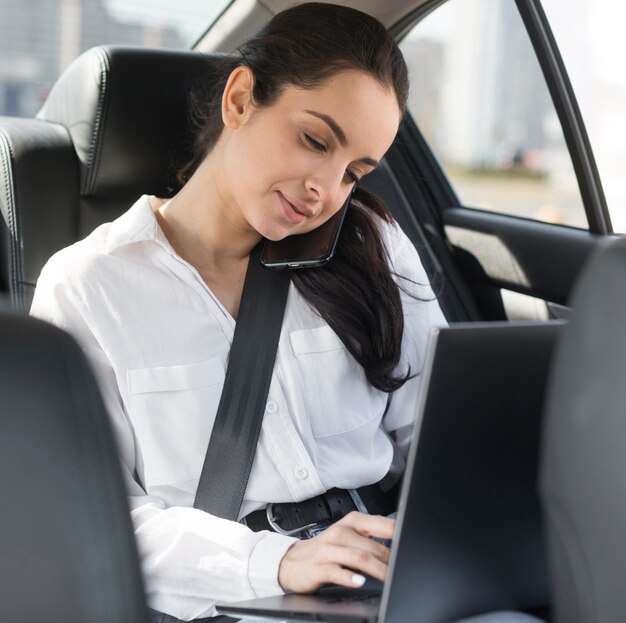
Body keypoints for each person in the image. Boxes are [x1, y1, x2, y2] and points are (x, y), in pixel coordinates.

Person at [30, 4, 543, 623]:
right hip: (231, 600)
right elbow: (98, 521)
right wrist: (274, 562)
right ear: (242, 100)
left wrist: (439, 534)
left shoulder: (370, 246)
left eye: (355, 172)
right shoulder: (87, 286)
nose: (325, 189)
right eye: (314, 141)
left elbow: (443, 434)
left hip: (389, 581)